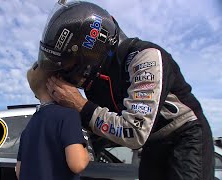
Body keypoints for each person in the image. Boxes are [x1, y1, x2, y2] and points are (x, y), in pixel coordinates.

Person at [39, 1, 215, 180]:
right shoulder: (96, 83)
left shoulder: (144, 57)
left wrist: (80, 105)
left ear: (88, 51)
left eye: (69, 64)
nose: (66, 73)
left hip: (185, 134)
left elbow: (134, 132)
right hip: (152, 142)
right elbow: (100, 132)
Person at [15, 63, 90, 180]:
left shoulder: (28, 128)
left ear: (36, 94)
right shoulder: (68, 115)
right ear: (58, 83)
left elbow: (19, 173)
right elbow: (78, 164)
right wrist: (85, 152)